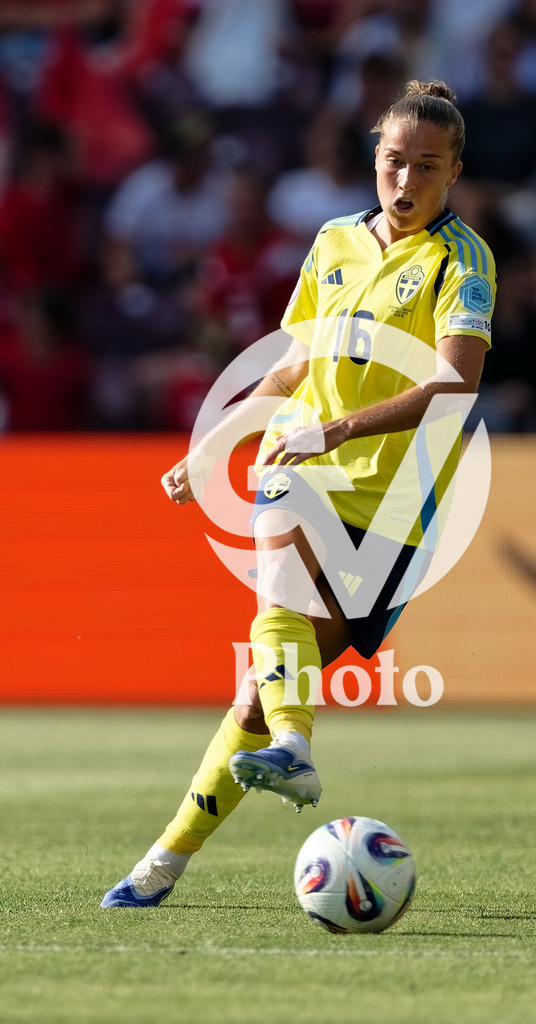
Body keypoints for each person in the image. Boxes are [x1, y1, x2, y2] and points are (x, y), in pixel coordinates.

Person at [101, 79, 496, 908]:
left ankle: (185, 840)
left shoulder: (461, 262)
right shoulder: (332, 241)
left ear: (453, 172)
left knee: (259, 690)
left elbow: (455, 385)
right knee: (277, 571)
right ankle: (248, 791)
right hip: (302, 465)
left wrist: (342, 430)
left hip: (390, 511)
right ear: (375, 158)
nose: (405, 179)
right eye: (394, 160)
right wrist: (215, 445)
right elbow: (291, 366)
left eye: (427, 166)